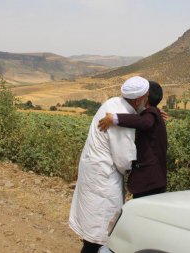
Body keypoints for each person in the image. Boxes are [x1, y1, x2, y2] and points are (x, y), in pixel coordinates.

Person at [69, 76, 150, 253]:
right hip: (103, 178)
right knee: (101, 231)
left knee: (92, 227)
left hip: (93, 171)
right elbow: (124, 160)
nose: (147, 102)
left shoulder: (113, 103)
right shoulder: (122, 119)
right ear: (138, 100)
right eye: (146, 98)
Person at [98, 81, 167, 199]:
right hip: (155, 179)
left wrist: (114, 118)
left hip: (148, 181)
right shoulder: (153, 113)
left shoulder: (151, 115)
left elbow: (144, 122)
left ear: (146, 98)